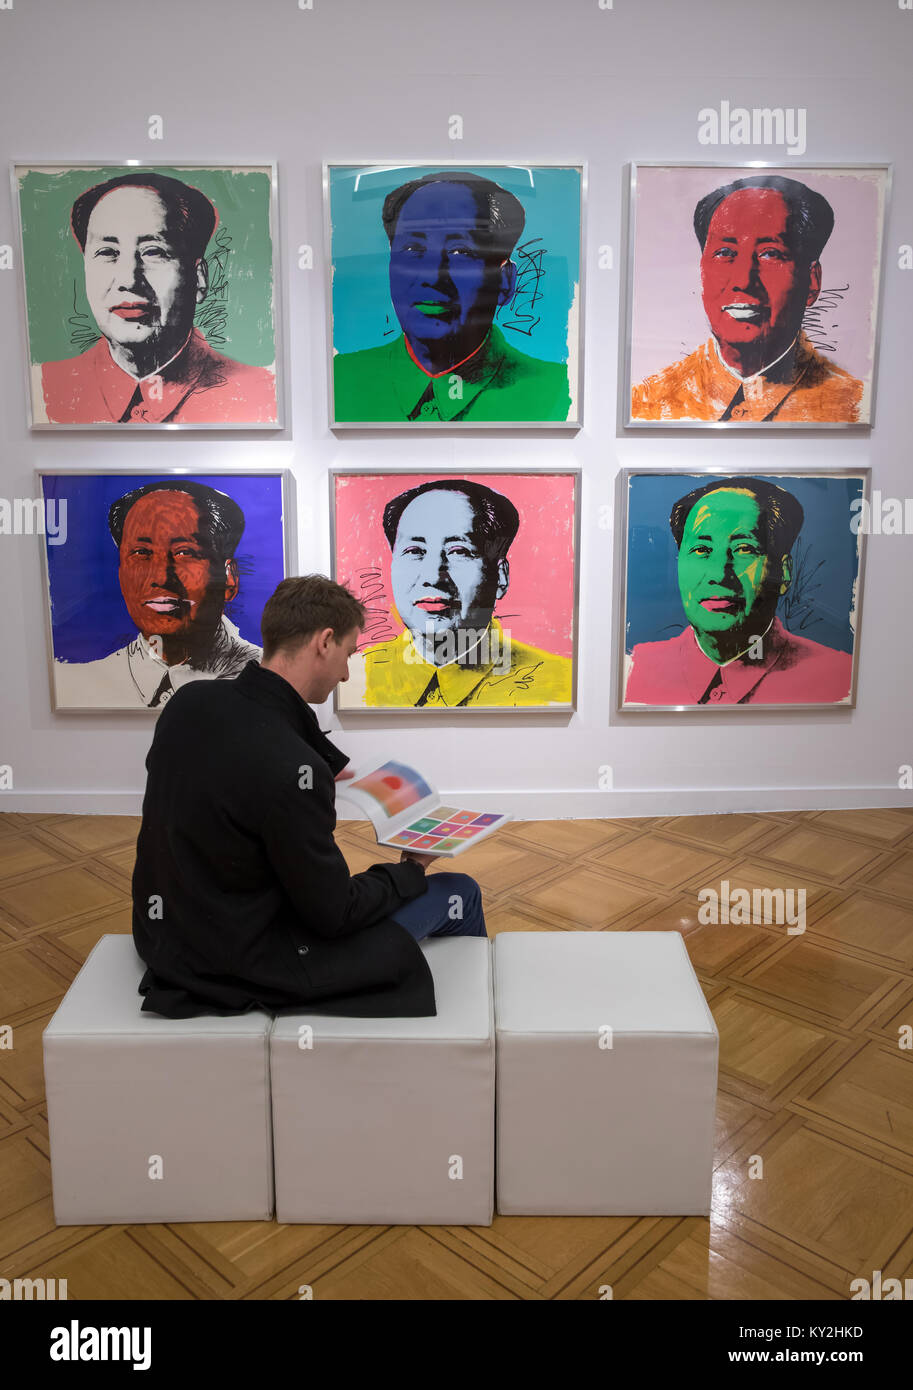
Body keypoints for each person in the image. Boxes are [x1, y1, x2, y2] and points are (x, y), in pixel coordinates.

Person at [132, 574, 488, 1018]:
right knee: (460, 890)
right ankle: (472, 1024)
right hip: (244, 960)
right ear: (324, 641)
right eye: (347, 655)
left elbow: (257, 734)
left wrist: (346, 771)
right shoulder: (290, 771)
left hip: (166, 934)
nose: (344, 673)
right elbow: (335, 913)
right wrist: (412, 869)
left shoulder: (189, 702)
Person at [36, 171, 277, 424]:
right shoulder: (46, 388)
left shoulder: (259, 393)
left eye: (153, 252)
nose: (128, 280)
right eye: (107, 252)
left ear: (199, 279)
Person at [333, 171, 572, 422]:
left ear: (505, 282)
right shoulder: (338, 379)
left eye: (461, 251)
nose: (433, 276)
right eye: (413, 249)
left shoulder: (555, 391)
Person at [631, 175, 863, 423]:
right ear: (702, 272)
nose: (743, 280)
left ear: (812, 282)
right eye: (724, 253)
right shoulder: (648, 403)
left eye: (770, 254)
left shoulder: (850, 405)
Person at [344, 479, 573, 707]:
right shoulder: (353, 678)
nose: (433, 576)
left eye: (458, 551)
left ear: (501, 577)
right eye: (415, 551)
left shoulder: (560, 683)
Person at [623, 477, 853, 705]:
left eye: (744, 549)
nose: (720, 574)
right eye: (702, 549)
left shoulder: (836, 677)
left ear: (783, 572)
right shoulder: (634, 668)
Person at [53, 480, 262, 709]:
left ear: (229, 578)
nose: (162, 577)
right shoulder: (80, 685)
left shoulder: (265, 681)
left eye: (185, 552)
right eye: (141, 553)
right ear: (121, 573)